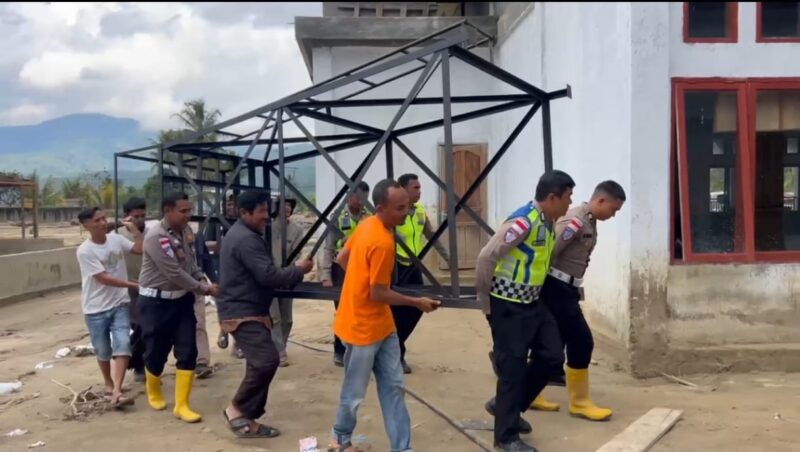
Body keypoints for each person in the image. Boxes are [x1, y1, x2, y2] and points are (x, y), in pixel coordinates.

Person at [329, 179, 440, 452]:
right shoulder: (382, 242)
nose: (406, 212)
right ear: (381, 208)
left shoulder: (368, 224)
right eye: (400, 208)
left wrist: (356, 284)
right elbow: (378, 293)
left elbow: (342, 258)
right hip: (362, 330)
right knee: (355, 392)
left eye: (407, 206)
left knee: (394, 387)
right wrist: (416, 302)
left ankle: (402, 448)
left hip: (383, 326)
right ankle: (340, 439)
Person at [476, 170, 575, 452]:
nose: (570, 203)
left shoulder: (548, 222)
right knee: (512, 369)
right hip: (508, 305)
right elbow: (486, 258)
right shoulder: (524, 222)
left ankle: (507, 406)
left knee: (552, 356)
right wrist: (486, 305)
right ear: (552, 197)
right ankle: (505, 438)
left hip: (533, 303)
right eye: (568, 197)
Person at [217, 190, 313, 438]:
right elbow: (268, 276)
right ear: (244, 212)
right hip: (242, 311)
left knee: (261, 361)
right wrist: (298, 270)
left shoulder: (244, 234)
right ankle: (236, 410)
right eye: (260, 211)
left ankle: (247, 418)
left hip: (247, 308)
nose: (266, 216)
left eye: (266, 210)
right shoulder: (246, 240)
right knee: (266, 360)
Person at [533, 180, 625, 421]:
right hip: (556, 288)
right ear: (601, 201)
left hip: (568, 288)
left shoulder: (590, 221)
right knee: (582, 341)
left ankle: (532, 393)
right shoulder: (575, 220)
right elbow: (549, 253)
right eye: (613, 209)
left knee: (551, 341)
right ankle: (579, 402)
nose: (613, 215)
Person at [138, 192, 219, 423]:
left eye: (189, 210)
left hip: (182, 300)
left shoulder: (186, 232)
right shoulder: (156, 237)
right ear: (168, 211)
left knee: (188, 350)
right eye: (183, 211)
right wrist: (204, 289)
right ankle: (153, 390)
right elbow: (173, 272)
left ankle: (182, 405)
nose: (188, 215)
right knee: (156, 351)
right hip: (156, 302)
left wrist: (201, 279)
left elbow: (190, 263)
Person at [76, 206, 143, 408]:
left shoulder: (115, 239)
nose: (103, 223)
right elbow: (103, 278)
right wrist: (133, 285)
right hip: (95, 308)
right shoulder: (85, 251)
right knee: (103, 350)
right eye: (97, 220)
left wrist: (135, 232)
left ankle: (117, 390)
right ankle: (108, 382)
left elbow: (139, 249)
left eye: (104, 218)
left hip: (119, 304)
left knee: (123, 343)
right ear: (86, 226)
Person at [393, 173, 450, 374]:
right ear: (403, 190)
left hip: (413, 266)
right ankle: (396, 354)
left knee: (419, 307)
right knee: (396, 311)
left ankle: (395, 347)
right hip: (396, 266)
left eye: (420, 188)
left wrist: (449, 259)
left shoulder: (419, 212)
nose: (419, 191)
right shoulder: (395, 213)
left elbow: (431, 235)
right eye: (415, 188)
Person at [319, 181, 371, 367]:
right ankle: (339, 350)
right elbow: (328, 247)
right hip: (340, 269)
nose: (363, 201)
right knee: (342, 311)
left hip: (363, 268)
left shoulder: (370, 216)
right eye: (360, 197)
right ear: (350, 196)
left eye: (366, 197)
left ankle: (359, 349)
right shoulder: (339, 216)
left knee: (363, 309)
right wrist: (326, 275)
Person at [269, 197, 305, 367]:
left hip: (287, 276)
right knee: (274, 316)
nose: (287, 208)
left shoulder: (297, 230)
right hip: (269, 277)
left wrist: (291, 272)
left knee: (287, 318)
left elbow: (297, 254)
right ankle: (279, 351)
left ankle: (280, 346)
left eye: (290, 206)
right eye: (284, 205)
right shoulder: (268, 228)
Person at [116, 197, 148, 383]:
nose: (140, 219)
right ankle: (138, 364)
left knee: (151, 326)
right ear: (126, 216)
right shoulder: (118, 236)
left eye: (143, 215)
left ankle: (136, 359)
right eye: (136, 216)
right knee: (139, 324)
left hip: (150, 285)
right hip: (129, 286)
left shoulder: (152, 232)